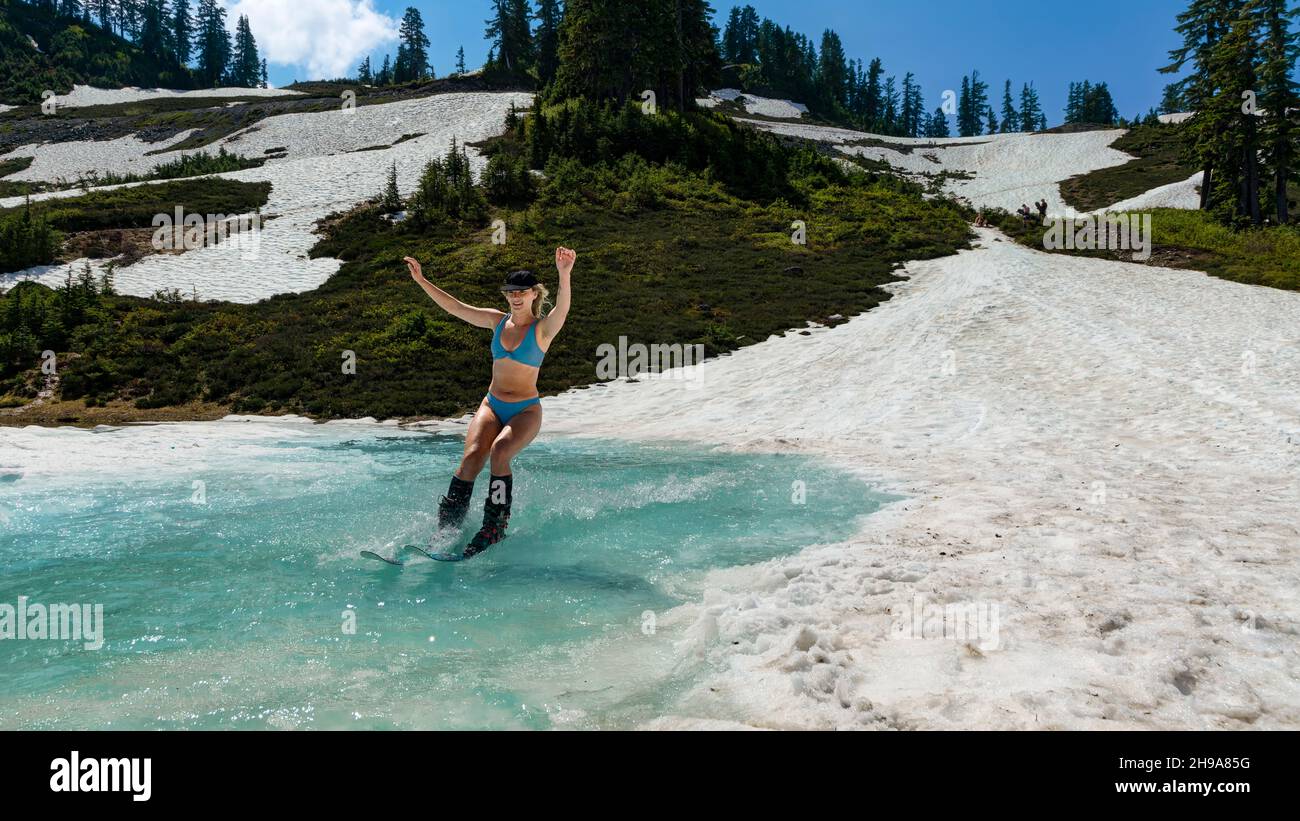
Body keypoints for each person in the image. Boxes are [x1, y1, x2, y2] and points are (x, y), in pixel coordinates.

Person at [404, 247, 576, 557]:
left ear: (534, 294)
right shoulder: (496, 322)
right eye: (511, 292)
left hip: (525, 410)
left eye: (522, 292)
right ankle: (447, 528)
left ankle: (494, 526)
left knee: (499, 452)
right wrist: (422, 281)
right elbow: (456, 307)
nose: (515, 297)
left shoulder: (541, 330)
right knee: (471, 458)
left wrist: (564, 274)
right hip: (492, 405)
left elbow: (561, 311)